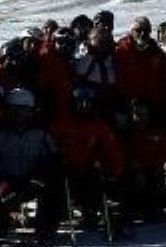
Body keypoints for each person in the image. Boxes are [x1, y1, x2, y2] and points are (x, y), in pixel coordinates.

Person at [0, 89, 62, 244]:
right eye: (13, 110)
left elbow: (53, 159)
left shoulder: (41, 132)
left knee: (53, 190)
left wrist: (39, 178)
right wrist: (0, 185)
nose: (17, 114)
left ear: (31, 111)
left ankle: (46, 228)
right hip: (7, 179)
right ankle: (1, 224)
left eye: (22, 110)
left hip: (33, 178)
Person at [50, 87, 124, 231]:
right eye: (80, 103)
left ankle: (92, 211)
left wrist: (115, 172)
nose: (84, 107)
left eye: (87, 103)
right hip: (67, 171)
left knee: (94, 178)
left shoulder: (99, 126)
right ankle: (55, 217)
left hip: (90, 172)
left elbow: (113, 151)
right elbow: (51, 146)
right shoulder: (61, 124)